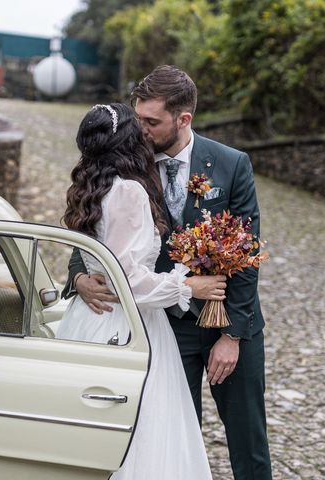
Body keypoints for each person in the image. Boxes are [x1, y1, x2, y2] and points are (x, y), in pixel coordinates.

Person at [65, 66, 273, 480]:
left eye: (151, 122)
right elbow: (92, 223)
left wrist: (231, 335)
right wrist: (78, 275)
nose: (141, 130)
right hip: (164, 324)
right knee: (171, 437)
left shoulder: (231, 165)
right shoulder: (127, 165)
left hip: (228, 320)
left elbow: (247, 251)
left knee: (249, 442)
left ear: (184, 119)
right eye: (138, 118)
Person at [57, 102, 227, 479]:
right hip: (129, 325)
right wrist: (187, 285)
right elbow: (129, 280)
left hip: (88, 321)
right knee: (142, 429)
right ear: (127, 139)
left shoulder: (90, 187)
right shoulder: (129, 191)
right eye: (139, 127)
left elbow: (101, 258)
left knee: (91, 433)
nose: (146, 134)